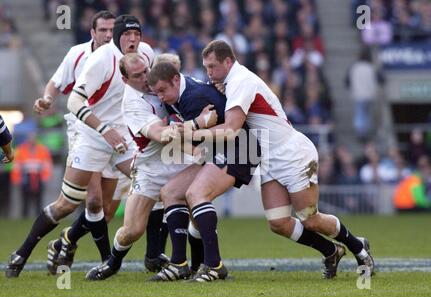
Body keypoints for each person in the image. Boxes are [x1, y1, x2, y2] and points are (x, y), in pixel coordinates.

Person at [196, 40, 374, 279]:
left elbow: (231, 128)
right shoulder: (231, 82)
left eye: (212, 66)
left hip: (292, 154)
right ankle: (331, 250)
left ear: (228, 61)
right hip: (269, 159)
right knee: (278, 222)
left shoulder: (241, 81)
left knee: (310, 219)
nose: (209, 72)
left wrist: (192, 133)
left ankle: (358, 248)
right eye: (206, 67)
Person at [5, 15, 154, 278]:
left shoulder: (146, 55)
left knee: (149, 186)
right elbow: (74, 101)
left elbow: (148, 89)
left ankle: (158, 256)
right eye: (124, 34)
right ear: (95, 32)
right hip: (91, 133)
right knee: (72, 203)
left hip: (123, 136)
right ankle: (22, 252)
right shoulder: (95, 58)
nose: (132, 39)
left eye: (137, 34)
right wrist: (50, 100)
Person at [85, 53, 213, 280]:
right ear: (125, 80)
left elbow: (174, 73)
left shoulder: (157, 82)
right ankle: (112, 262)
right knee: (132, 230)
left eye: (146, 70)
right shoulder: (132, 104)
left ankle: (199, 266)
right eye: (138, 75)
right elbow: (161, 134)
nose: (146, 78)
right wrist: (199, 123)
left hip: (181, 160)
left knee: (199, 212)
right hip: (151, 167)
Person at [147, 62, 261, 282]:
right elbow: (191, 135)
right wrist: (195, 125)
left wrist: (191, 127)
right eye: (156, 92)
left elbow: (199, 136)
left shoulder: (193, 98)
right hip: (217, 149)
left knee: (196, 193)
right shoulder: (178, 97)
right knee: (170, 191)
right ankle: (178, 263)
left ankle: (214, 265)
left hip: (240, 149)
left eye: (163, 90)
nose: (160, 97)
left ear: (176, 80)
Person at [32, 10, 123, 275]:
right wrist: (47, 99)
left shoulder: (123, 56)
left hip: (116, 133)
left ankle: (64, 241)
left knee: (106, 211)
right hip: (84, 129)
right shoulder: (78, 54)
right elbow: (56, 83)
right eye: (103, 30)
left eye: (111, 30)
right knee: (91, 201)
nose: (108, 35)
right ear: (92, 33)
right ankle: (109, 262)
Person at [11, 133, 53, 217]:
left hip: (38, 177)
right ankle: (24, 216)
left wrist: (46, 177)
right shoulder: (21, 149)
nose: (31, 141)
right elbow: (16, 165)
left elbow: (47, 164)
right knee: (25, 199)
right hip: (25, 177)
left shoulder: (42, 149)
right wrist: (16, 178)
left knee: (38, 199)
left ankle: (38, 217)